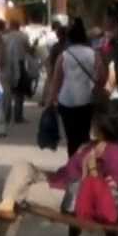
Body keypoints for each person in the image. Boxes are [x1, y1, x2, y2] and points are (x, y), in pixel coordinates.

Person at [0, 114, 118, 236]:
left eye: (94, 124)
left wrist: (92, 167)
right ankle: (7, 203)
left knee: (21, 193)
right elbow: (67, 170)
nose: (92, 127)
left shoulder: (115, 150)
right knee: (21, 166)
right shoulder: (92, 145)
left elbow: (111, 186)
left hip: (72, 195)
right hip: (59, 181)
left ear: (103, 127)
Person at [47, 19, 102, 156]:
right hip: (87, 100)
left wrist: (52, 99)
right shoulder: (94, 54)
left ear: (69, 38)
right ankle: (84, 163)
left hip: (66, 101)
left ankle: (72, 164)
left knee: (71, 137)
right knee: (84, 135)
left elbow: (56, 80)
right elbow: (101, 76)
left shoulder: (64, 56)